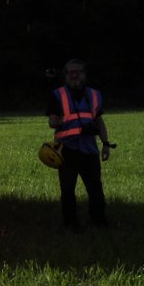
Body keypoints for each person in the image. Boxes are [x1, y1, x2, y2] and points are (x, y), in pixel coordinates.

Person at [46, 59, 111, 231]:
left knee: (95, 188)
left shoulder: (95, 95)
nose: (74, 75)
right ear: (65, 75)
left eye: (78, 71)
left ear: (84, 74)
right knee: (67, 189)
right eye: (70, 72)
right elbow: (52, 121)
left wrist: (105, 143)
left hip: (89, 150)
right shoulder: (56, 95)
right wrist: (55, 121)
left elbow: (99, 121)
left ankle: (99, 221)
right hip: (66, 150)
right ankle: (70, 223)